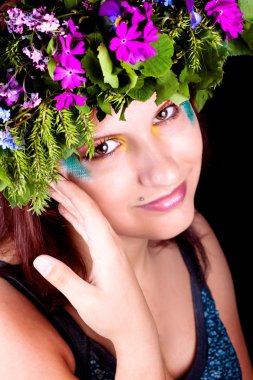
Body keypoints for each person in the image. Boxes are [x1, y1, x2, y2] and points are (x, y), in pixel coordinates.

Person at [0, 0, 252, 379]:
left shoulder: (193, 237)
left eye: (164, 114)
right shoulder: (8, 329)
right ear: (40, 170)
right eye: (103, 148)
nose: (165, 173)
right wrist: (134, 338)